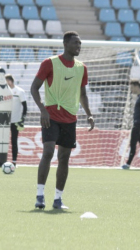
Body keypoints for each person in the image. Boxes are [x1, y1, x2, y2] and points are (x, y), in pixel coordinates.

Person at [30, 31, 94, 210]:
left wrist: (89, 113)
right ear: (65, 44)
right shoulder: (49, 63)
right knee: (48, 152)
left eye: (80, 43)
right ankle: (40, 195)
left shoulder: (82, 68)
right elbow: (34, 88)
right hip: (50, 116)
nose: (78, 46)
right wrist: (42, 109)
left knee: (64, 158)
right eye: (75, 43)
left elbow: (82, 94)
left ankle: (58, 199)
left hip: (70, 118)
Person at [5, 74, 27, 167]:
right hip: (4, 120)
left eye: (6, 81)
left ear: (10, 81)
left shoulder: (19, 91)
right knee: (3, 141)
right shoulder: (4, 92)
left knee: (14, 140)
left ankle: (14, 161)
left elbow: (25, 107)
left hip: (15, 121)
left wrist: (22, 119)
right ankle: (2, 160)